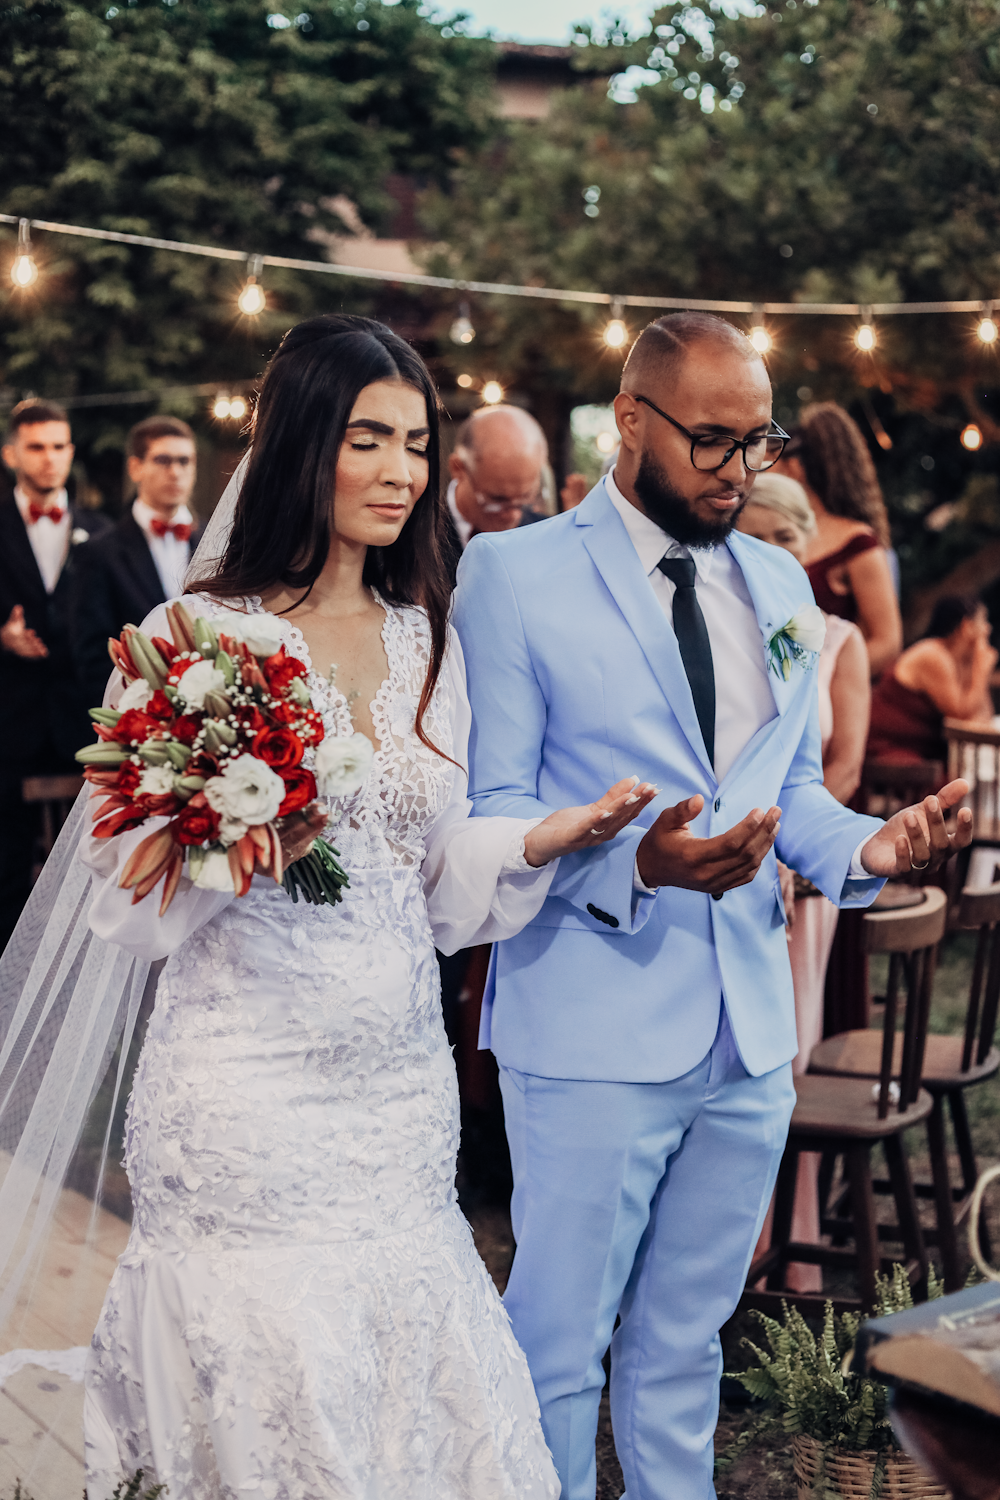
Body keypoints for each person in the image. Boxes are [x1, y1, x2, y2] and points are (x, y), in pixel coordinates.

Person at [45, 314, 662, 1499]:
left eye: (418, 444)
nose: (400, 472)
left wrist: (547, 834)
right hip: (241, 1098)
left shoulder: (429, 636)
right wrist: (243, 835)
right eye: (368, 438)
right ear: (300, 445)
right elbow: (124, 915)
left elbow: (433, 882)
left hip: (395, 1094)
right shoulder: (194, 643)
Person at [451, 311, 972, 1500]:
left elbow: (784, 794)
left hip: (747, 1032)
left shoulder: (779, 581)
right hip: (588, 1026)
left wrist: (875, 844)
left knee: (687, 1348)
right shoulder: (515, 574)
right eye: (711, 442)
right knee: (557, 1350)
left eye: (758, 442)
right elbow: (495, 808)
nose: (738, 470)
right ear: (630, 420)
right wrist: (637, 867)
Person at [738, 470, 871, 1295]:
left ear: (805, 543)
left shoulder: (830, 638)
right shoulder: (727, 629)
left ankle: (791, 1241)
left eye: (784, 539)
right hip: (729, 873)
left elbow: (840, 764)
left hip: (801, 878)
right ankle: (733, 1249)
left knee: (787, 1063)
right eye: (754, 539)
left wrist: (793, 850)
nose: (771, 555)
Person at [0, 398, 109, 951]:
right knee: (7, 861)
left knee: (89, 854)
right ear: (11, 453)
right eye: (37, 447)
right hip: (9, 719)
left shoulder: (101, 531)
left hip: (79, 719)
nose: (50, 459)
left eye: (59, 446)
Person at [71, 415, 201, 709]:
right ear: (135, 467)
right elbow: (92, 657)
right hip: (138, 715)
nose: (176, 472)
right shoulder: (99, 551)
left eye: (185, 461)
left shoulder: (217, 543)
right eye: (163, 460)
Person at [777, 403, 902, 677]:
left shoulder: (857, 543)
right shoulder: (766, 534)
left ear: (794, 468)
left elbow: (887, 642)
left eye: (771, 464)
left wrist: (824, 677)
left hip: (833, 700)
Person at [868, 594, 996, 766]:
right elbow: (959, 716)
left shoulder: (959, 662)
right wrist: (981, 670)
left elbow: (981, 718)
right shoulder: (934, 655)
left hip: (922, 749)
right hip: (890, 746)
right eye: (983, 622)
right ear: (967, 626)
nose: (988, 629)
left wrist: (978, 671)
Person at [444, 404, 547, 568]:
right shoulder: (414, 533)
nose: (513, 516)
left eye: (525, 498)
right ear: (458, 468)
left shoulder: (545, 536)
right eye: (497, 499)